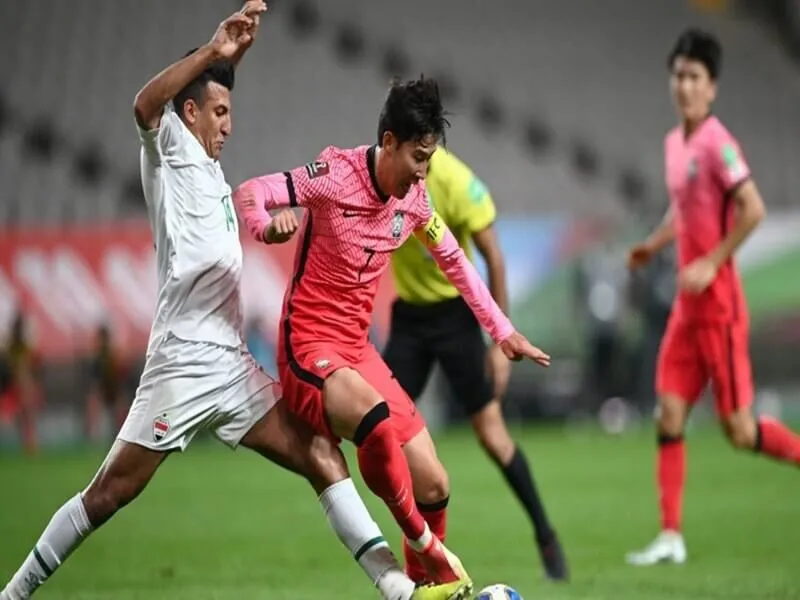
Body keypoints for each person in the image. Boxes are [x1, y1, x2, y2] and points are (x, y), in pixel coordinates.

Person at [0, 6, 463, 600]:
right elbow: (145, 105)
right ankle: (14, 594)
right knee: (109, 495)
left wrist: (229, 62)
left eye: (230, 112)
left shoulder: (213, 171)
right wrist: (212, 51)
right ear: (189, 114)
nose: (229, 125)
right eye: (218, 113)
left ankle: (398, 590)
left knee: (321, 455)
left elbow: (211, 100)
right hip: (181, 362)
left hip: (230, 362)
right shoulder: (167, 147)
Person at [234, 75, 551, 590]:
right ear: (388, 142)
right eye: (418, 158)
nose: (423, 172)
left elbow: (456, 261)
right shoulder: (334, 175)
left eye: (430, 159)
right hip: (308, 347)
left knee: (434, 482)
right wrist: (266, 227)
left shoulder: (415, 200)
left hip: (358, 351)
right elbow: (252, 192)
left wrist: (502, 331)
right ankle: (430, 551)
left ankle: (421, 588)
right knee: (376, 422)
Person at [625, 28, 800, 566]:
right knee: (668, 415)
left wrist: (714, 260)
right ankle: (670, 536)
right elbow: (683, 208)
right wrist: (655, 244)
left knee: (739, 431)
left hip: (720, 308)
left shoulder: (718, 142)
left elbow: (753, 208)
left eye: (694, 77)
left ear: (712, 86)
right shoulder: (674, 142)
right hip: (687, 308)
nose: (684, 85)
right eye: (678, 75)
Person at [381, 147, 568, 581]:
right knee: (379, 427)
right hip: (409, 318)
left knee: (491, 434)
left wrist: (500, 343)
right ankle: (418, 555)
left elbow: (493, 255)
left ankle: (545, 534)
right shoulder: (383, 175)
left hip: (455, 317)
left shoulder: (455, 182)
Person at [0, 311, 41, 455]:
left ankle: (30, 442)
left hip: (23, 387)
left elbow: (33, 366)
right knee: (24, 414)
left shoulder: (23, 347)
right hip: (14, 387)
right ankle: (28, 441)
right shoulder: (12, 347)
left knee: (27, 414)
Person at [85, 324, 128, 440]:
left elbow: (121, 377)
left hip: (114, 393)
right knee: (103, 419)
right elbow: (95, 380)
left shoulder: (113, 357)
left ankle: (119, 437)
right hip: (104, 394)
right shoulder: (98, 357)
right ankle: (98, 437)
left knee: (118, 419)